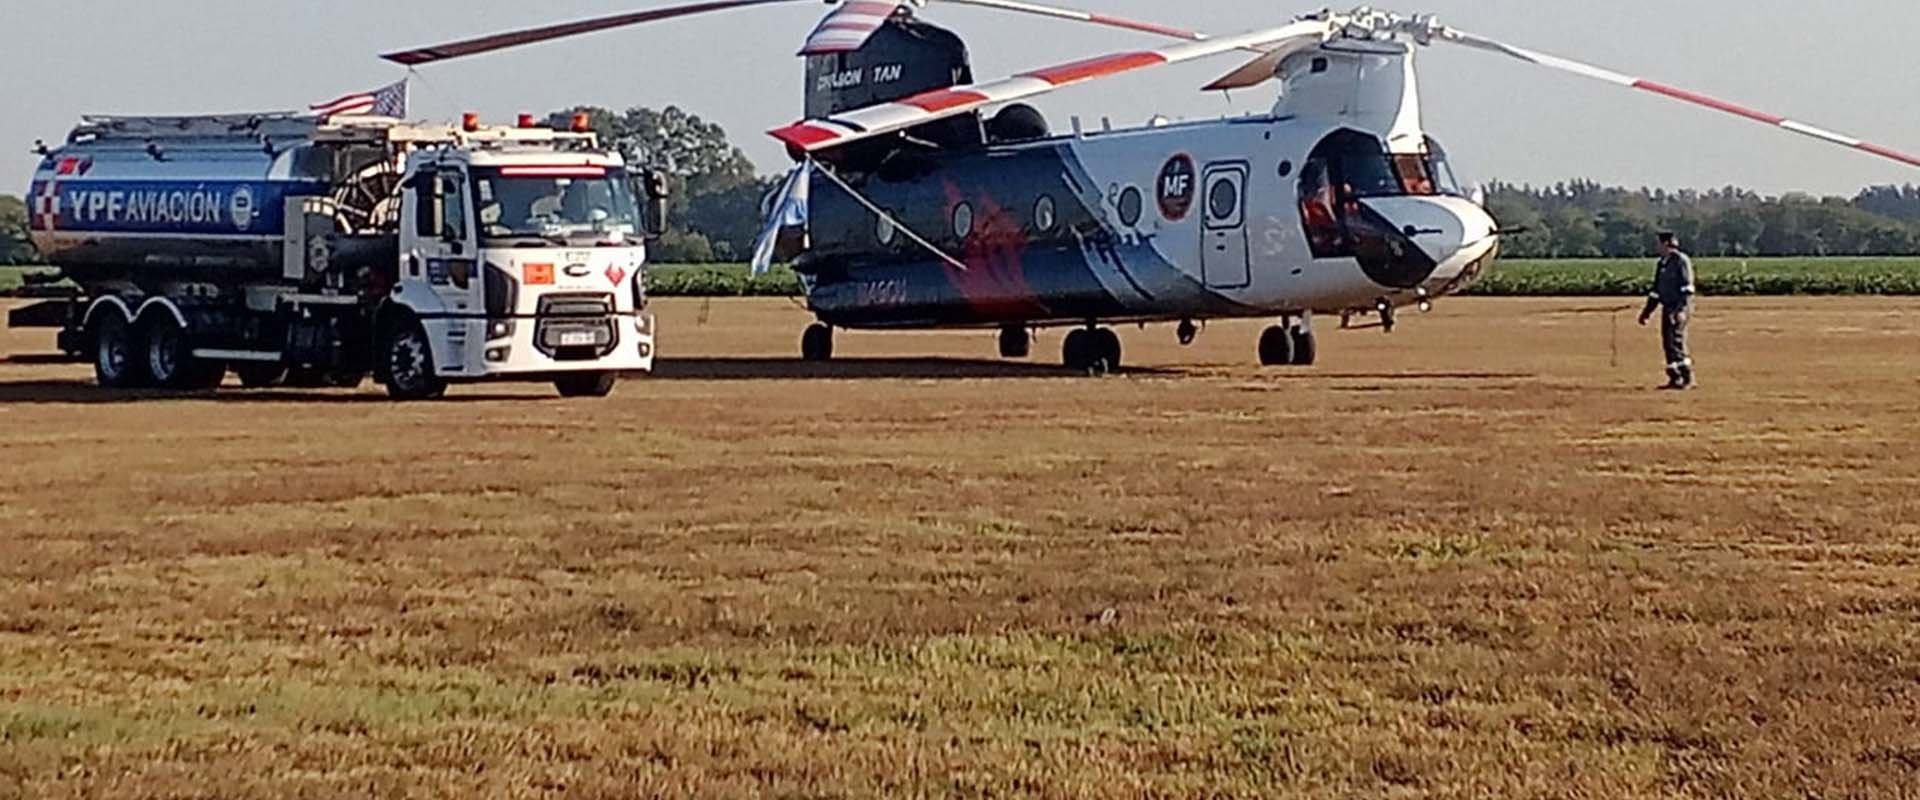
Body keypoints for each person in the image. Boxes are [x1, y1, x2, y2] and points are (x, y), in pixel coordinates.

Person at [1638, 231, 1697, 389]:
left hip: (1679, 308)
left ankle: (1686, 377)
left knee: (1676, 340)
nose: (1656, 246)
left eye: (1658, 243)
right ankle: (1674, 376)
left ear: (1666, 244)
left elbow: (1687, 288)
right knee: (1667, 342)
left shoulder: (1680, 261)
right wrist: (1646, 313)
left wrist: (1680, 311)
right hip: (1667, 307)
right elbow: (1656, 291)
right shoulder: (1662, 263)